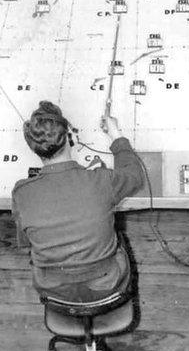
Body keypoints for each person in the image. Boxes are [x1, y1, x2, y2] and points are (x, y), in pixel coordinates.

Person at [12, 101, 143, 303]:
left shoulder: (22, 192)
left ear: (34, 148)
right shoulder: (101, 180)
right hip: (107, 286)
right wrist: (115, 134)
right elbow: (134, 176)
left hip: (55, 292)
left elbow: (25, 242)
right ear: (69, 138)